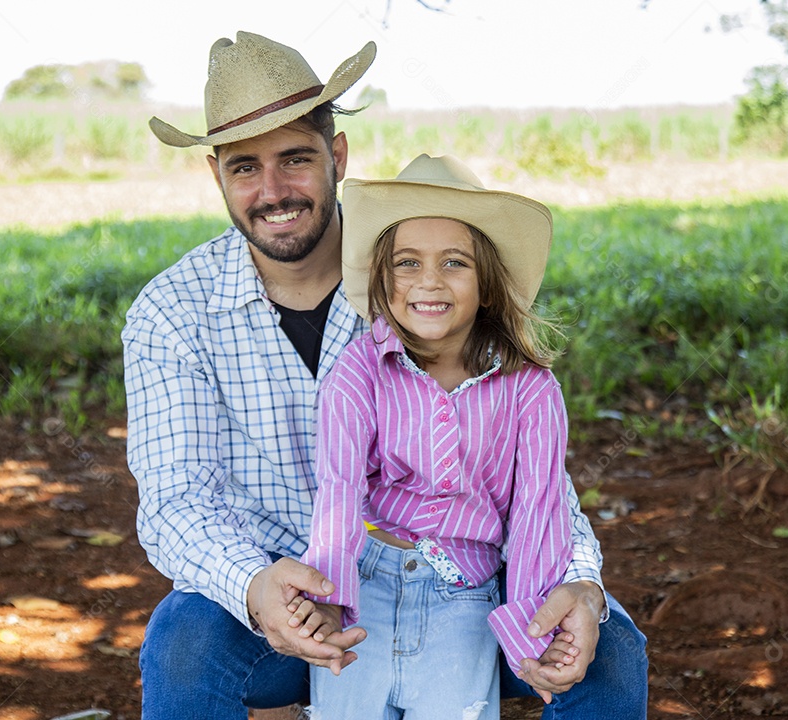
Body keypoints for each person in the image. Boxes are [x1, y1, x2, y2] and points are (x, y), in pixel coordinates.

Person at [122, 30, 648, 720]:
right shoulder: (172, 312)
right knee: (183, 645)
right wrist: (254, 585)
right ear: (216, 175)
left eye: (295, 159)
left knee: (610, 648)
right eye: (245, 167)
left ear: (337, 155)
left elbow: (535, 478)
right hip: (287, 595)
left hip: (463, 581)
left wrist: (580, 580)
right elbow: (174, 500)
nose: (273, 190)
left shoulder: (424, 285)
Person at [286, 153, 583, 720]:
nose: (428, 281)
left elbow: (537, 515)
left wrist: (530, 630)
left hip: (463, 596)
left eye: (454, 262)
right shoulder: (360, 370)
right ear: (383, 277)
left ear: (489, 286)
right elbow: (340, 489)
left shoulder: (532, 390)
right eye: (406, 262)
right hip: (369, 578)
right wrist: (329, 601)